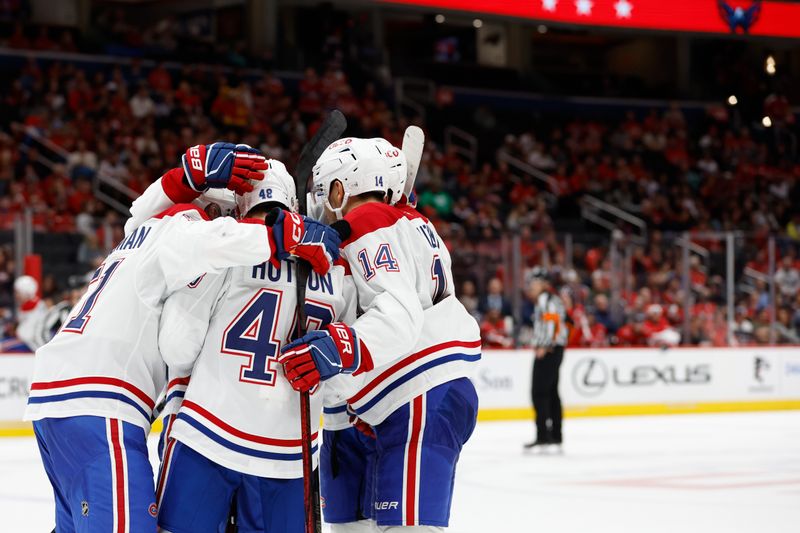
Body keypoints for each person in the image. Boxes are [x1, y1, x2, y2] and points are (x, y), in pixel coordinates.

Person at [23, 143, 340, 533]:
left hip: (55, 396)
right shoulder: (185, 228)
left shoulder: (143, 231)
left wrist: (179, 179)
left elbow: (138, 212)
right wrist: (279, 235)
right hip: (100, 403)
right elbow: (206, 244)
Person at [278, 137, 482, 532]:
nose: (320, 202)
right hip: (384, 401)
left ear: (341, 187)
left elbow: (397, 313)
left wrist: (337, 348)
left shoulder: (369, 220)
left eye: (324, 190)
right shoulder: (400, 221)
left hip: (418, 388)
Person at [153, 160, 352, 533]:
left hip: (207, 436)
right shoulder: (332, 265)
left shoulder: (223, 246)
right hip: (290, 453)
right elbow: (344, 378)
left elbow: (177, 347)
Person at [524, 267, 568, 449]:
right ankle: (555, 435)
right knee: (552, 393)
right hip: (555, 349)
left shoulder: (545, 300)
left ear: (543, 283)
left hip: (549, 349)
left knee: (539, 393)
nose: (530, 286)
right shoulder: (553, 299)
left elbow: (551, 323)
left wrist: (545, 345)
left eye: (533, 282)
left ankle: (543, 435)